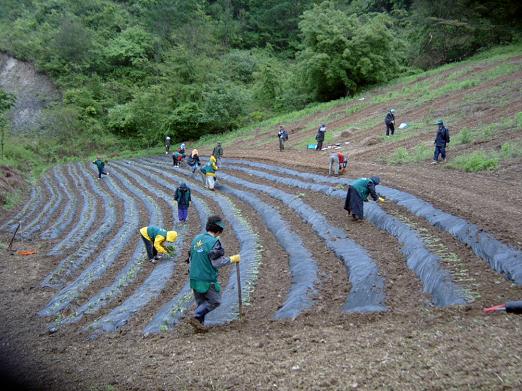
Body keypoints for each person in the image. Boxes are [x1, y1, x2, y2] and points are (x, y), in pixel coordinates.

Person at [187, 215, 241, 331]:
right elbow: (216, 263)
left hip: (194, 277)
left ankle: (199, 328)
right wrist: (232, 259)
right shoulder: (214, 242)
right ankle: (196, 317)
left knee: (201, 302)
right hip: (206, 278)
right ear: (218, 230)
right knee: (215, 301)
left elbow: (191, 258)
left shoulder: (197, 239)